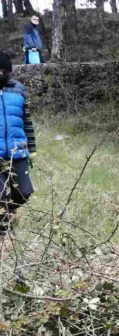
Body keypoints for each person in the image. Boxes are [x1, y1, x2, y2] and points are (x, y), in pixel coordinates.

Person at [0, 53, 36, 235]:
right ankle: (4, 231)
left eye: (3, 70)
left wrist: (32, 149)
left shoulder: (18, 89)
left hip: (18, 151)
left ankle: (9, 212)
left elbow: (27, 121)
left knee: (24, 192)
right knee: (0, 196)